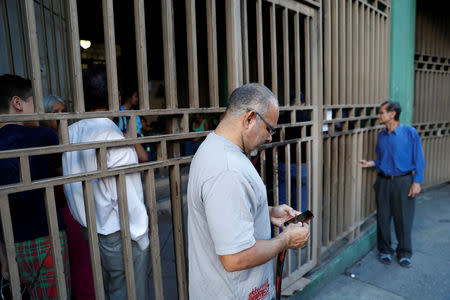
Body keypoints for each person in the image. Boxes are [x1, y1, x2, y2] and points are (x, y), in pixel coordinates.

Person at [187, 83, 310, 299]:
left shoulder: (216, 147)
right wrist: (286, 240)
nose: (270, 137)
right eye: (269, 129)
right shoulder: (227, 170)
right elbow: (235, 257)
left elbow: (229, 211)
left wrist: (267, 211)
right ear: (250, 118)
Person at [62, 68, 150, 300]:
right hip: (115, 231)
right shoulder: (112, 136)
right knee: (128, 292)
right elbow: (127, 197)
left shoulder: (70, 132)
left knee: (106, 289)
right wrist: (141, 237)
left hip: (88, 228)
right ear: (117, 99)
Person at [0, 74, 71, 298]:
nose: (35, 107)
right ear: (17, 103)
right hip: (46, 237)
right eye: (31, 101)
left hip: (10, 242)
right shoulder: (44, 136)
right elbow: (62, 173)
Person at [360, 101, 425, 268]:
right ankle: (385, 250)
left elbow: (419, 158)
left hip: (404, 181)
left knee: (403, 218)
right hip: (383, 182)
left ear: (392, 114)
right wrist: (370, 163)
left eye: (381, 112)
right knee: (383, 218)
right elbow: (382, 160)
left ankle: (404, 253)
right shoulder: (381, 136)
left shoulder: (410, 133)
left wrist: (417, 181)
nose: (379, 116)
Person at [43, 95, 96, 300]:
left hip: (76, 206)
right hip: (61, 208)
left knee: (82, 262)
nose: (61, 116)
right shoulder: (47, 140)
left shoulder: (73, 136)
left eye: (64, 111)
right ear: (44, 116)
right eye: (55, 113)